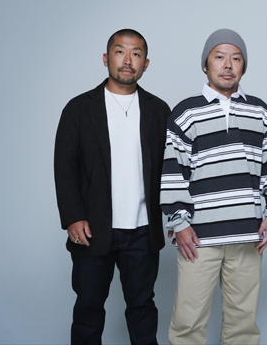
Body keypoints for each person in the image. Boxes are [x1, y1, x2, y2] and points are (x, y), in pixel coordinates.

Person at [161, 28, 267, 345]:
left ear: (243, 66)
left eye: (236, 58)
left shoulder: (260, 111)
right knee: (188, 323)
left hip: (248, 235)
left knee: (242, 325)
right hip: (198, 237)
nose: (228, 65)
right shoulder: (186, 113)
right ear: (206, 65)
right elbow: (173, 171)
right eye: (219, 57)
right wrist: (179, 223)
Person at [54, 28, 170, 344]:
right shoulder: (79, 109)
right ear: (106, 59)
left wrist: (176, 216)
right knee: (88, 310)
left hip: (143, 231)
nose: (127, 60)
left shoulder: (159, 110)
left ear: (146, 63)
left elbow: (172, 169)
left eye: (136, 54)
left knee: (142, 309)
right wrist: (73, 217)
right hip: (92, 229)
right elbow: (64, 166)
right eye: (120, 52)